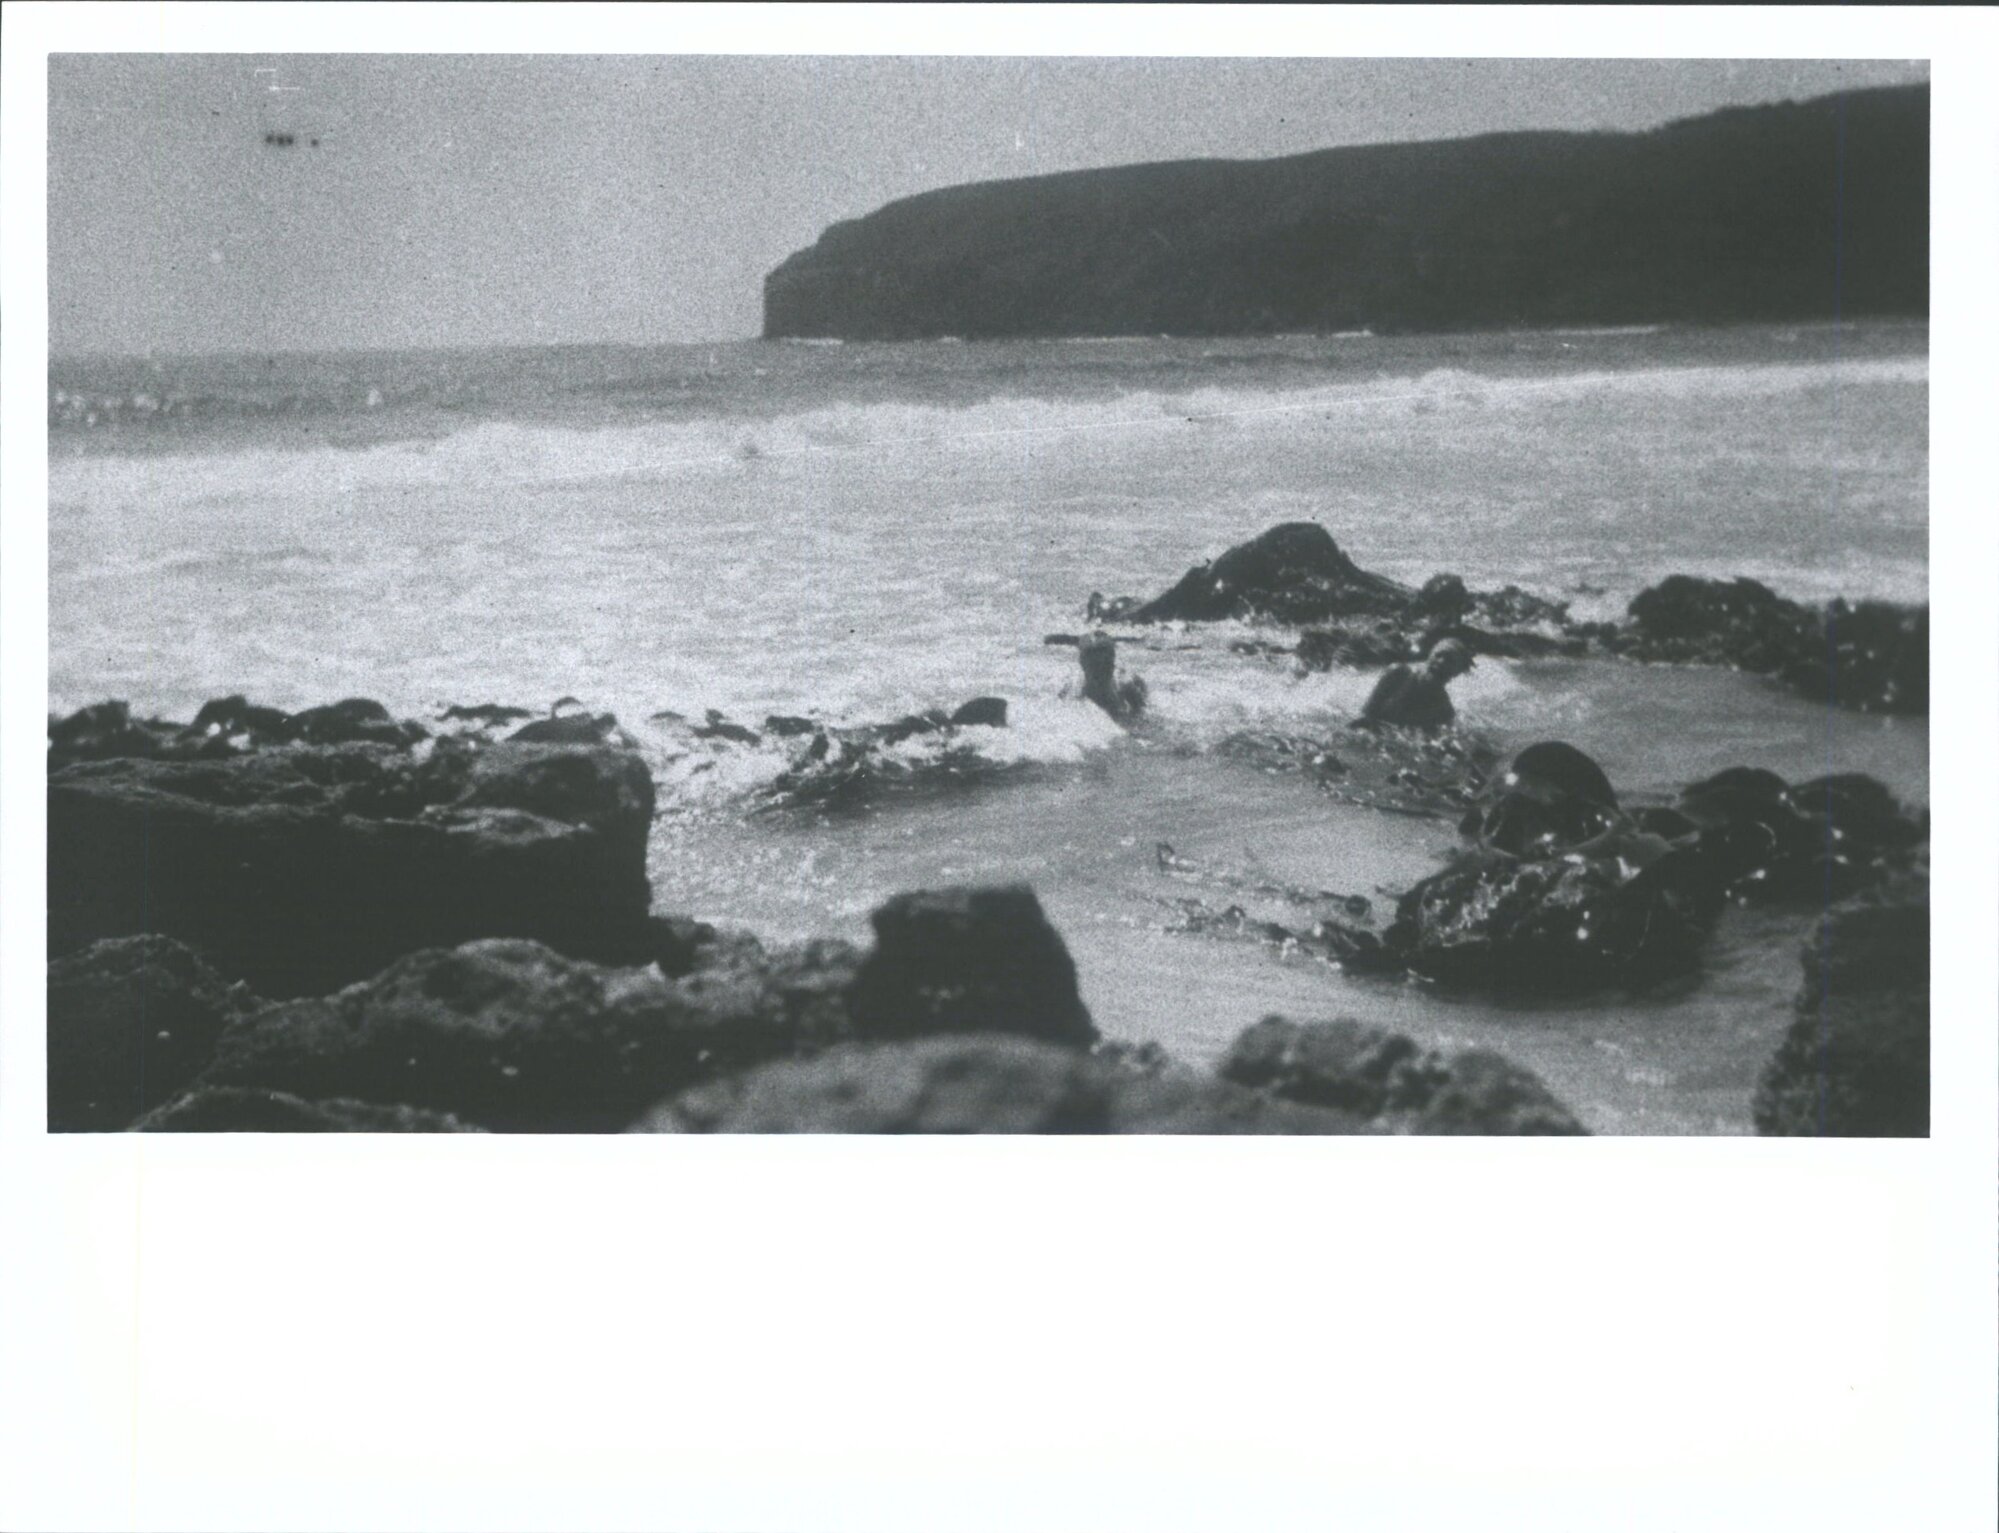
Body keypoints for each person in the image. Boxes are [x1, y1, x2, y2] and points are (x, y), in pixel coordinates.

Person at [1356, 637, 1474, 729]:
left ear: (1457, 672)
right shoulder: (1398, 673)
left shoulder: (1444, 710)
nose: (1441, 662)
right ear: (1429, 656)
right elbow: (1365, 716)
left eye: (1450, 660)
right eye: (1438, 655)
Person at [1076, 631, 1147, 721]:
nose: (1099, 661)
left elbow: (1144, 720)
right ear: (1082, 662)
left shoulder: (1126, 685)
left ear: (1112, 662)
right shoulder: (1074, 688)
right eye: (1093, 665)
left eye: (1104, 665)